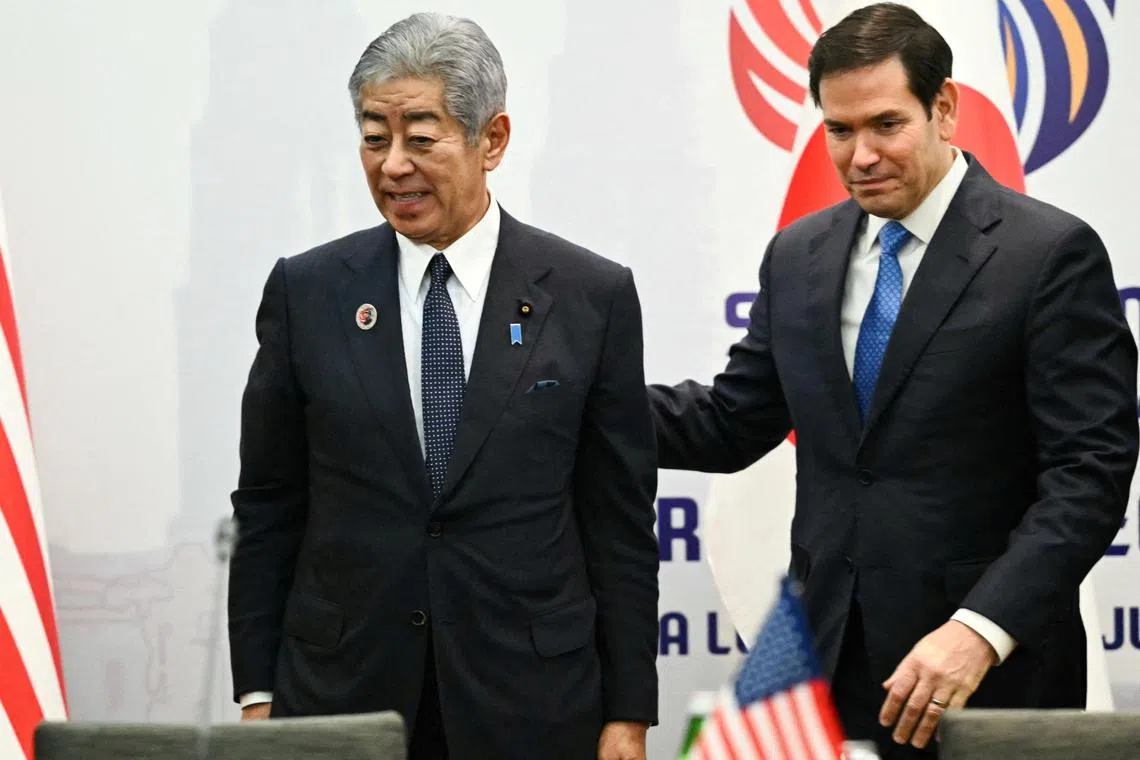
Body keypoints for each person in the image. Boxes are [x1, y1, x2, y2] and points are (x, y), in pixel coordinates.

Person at [648, 3, 1137, 757]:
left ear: (944, 109)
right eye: (839, 131)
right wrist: (574, 394)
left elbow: (1090, 473)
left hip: (988, 678)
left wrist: (980, 630)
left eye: (885, 124)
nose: (860, 155)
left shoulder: (1048, 256)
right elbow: (732, 421)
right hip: (829, 667)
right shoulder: (797, 255)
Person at [227, 13, 659, 760]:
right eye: (373, 137)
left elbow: (617, 523)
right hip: (342, 699)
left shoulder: (592, 296)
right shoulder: (308, 292)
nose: (392, 165)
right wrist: (259, 693)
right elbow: (269, 504)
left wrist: (628, 713)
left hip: (530, 702)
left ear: (491, 140)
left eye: (420, 138)